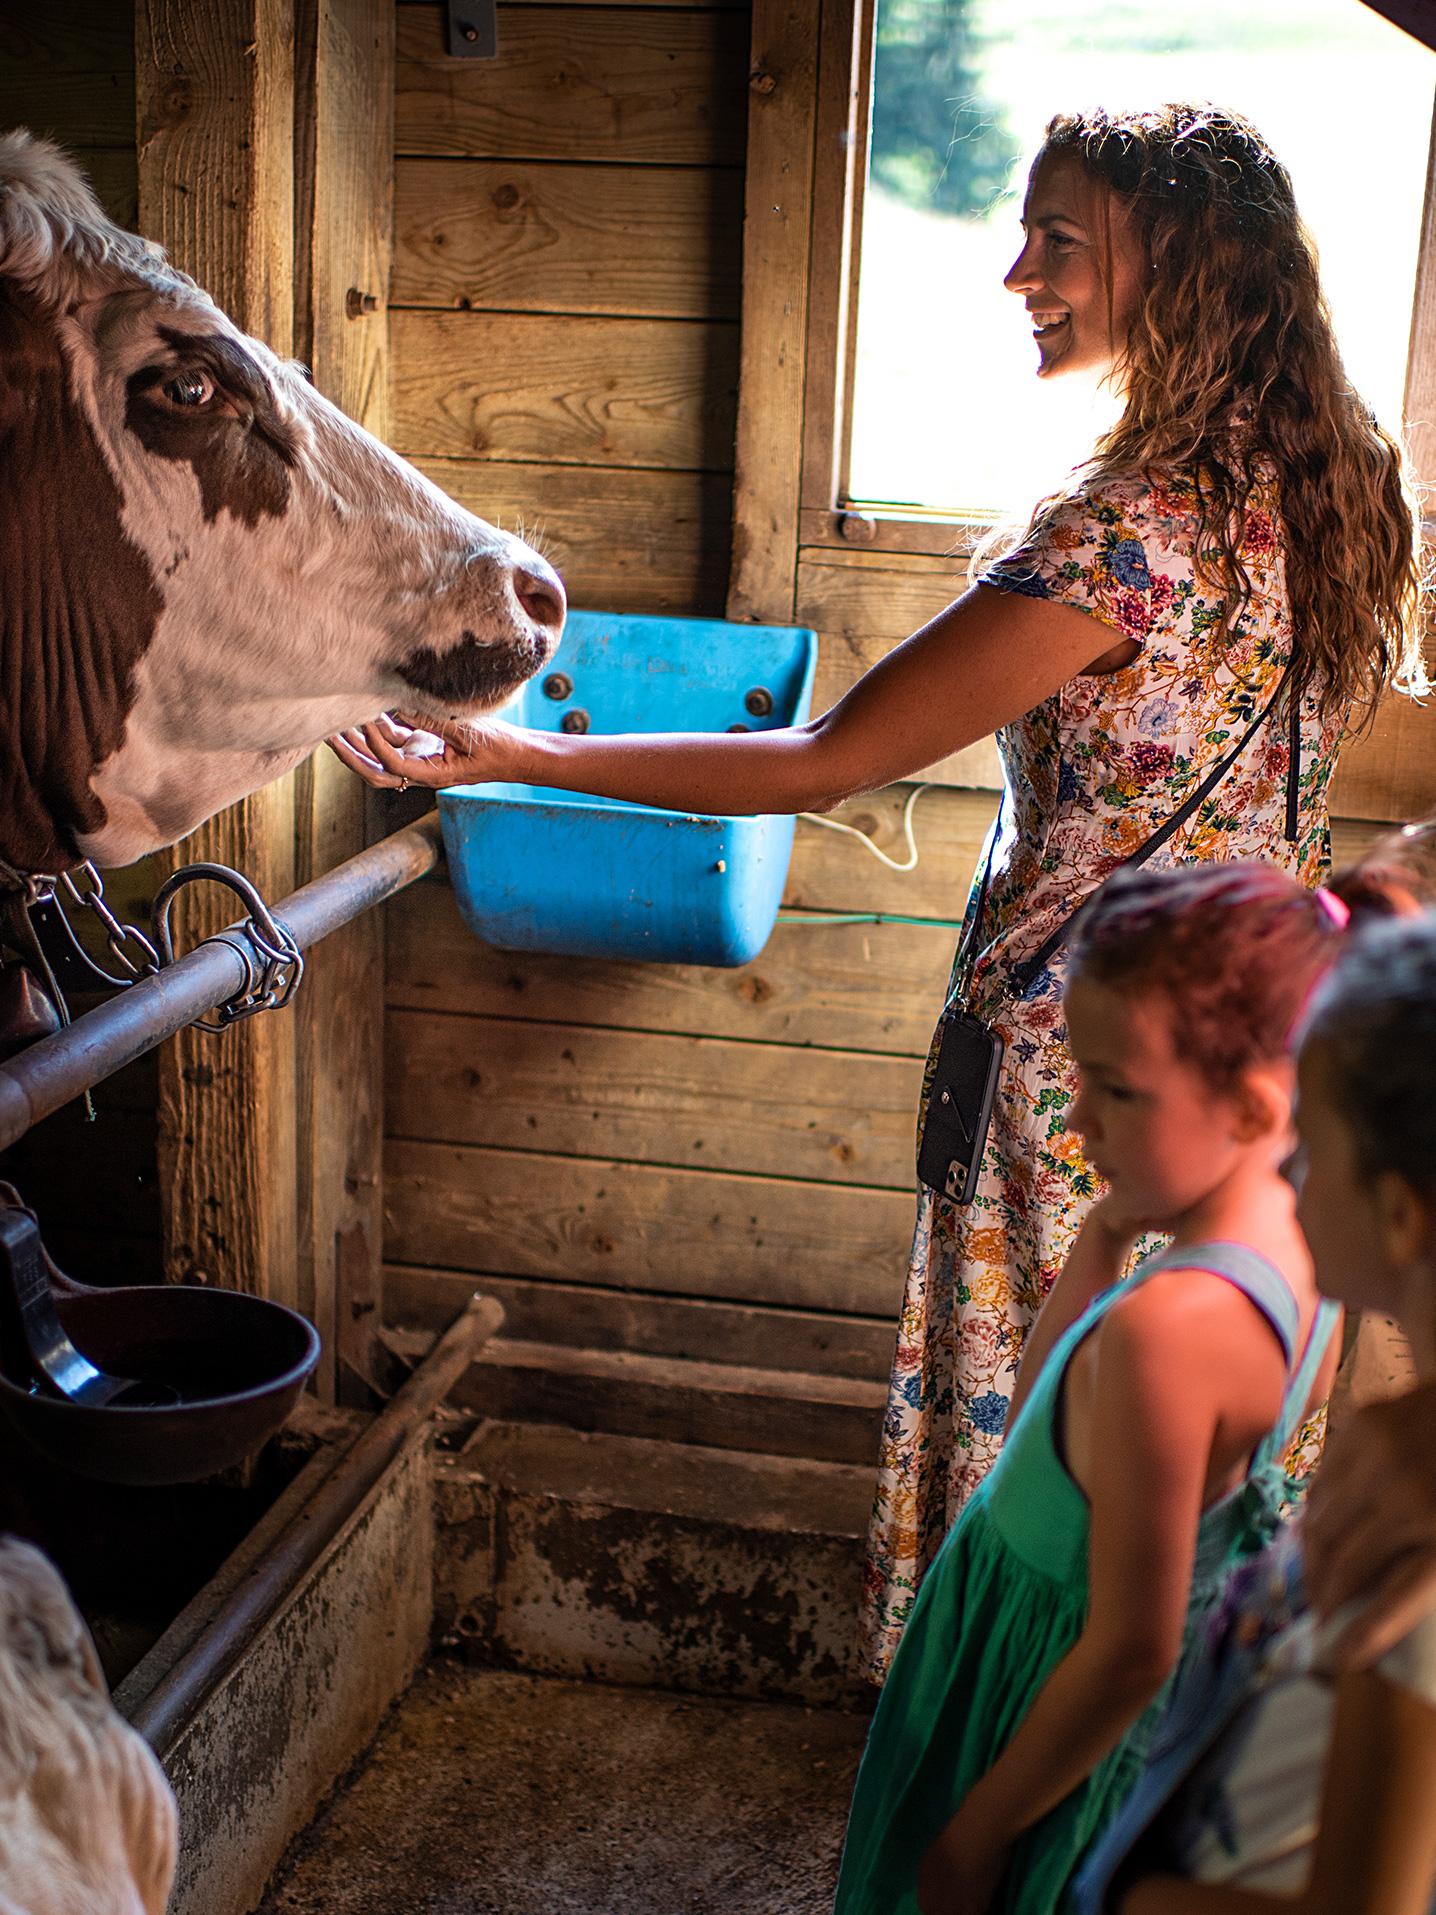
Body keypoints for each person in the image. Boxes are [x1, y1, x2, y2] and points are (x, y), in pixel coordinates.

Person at [329, 104, 1424, 1679]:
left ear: (1173, 272)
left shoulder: (1123, 539)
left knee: (1038, 1469)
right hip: (1273, 1051)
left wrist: (500, 752)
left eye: (1059, 241)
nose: (1014, 273)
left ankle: (988, 1768)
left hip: (1080, 1070)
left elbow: (827, 758)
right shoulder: (1330, 499)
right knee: (1207, 1471)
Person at [831, 862, 1342, 1915]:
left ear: (1249, 1105)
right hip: (1063, 1649)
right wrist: (1106, 1227)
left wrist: (977, 1831)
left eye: (1115, 1089)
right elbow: (1036, 1427)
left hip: (1043, 1696)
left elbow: (1130, 1647)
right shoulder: (1306, 1258)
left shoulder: (1171, 1330)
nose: (1079, 1117)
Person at [1069, 911, 1436, 1915]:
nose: (1279, 1171)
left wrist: (1125, 1897)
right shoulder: (1394, 1447)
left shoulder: (1409, 1593)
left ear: (1398, 1212)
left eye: (1306, 1146)